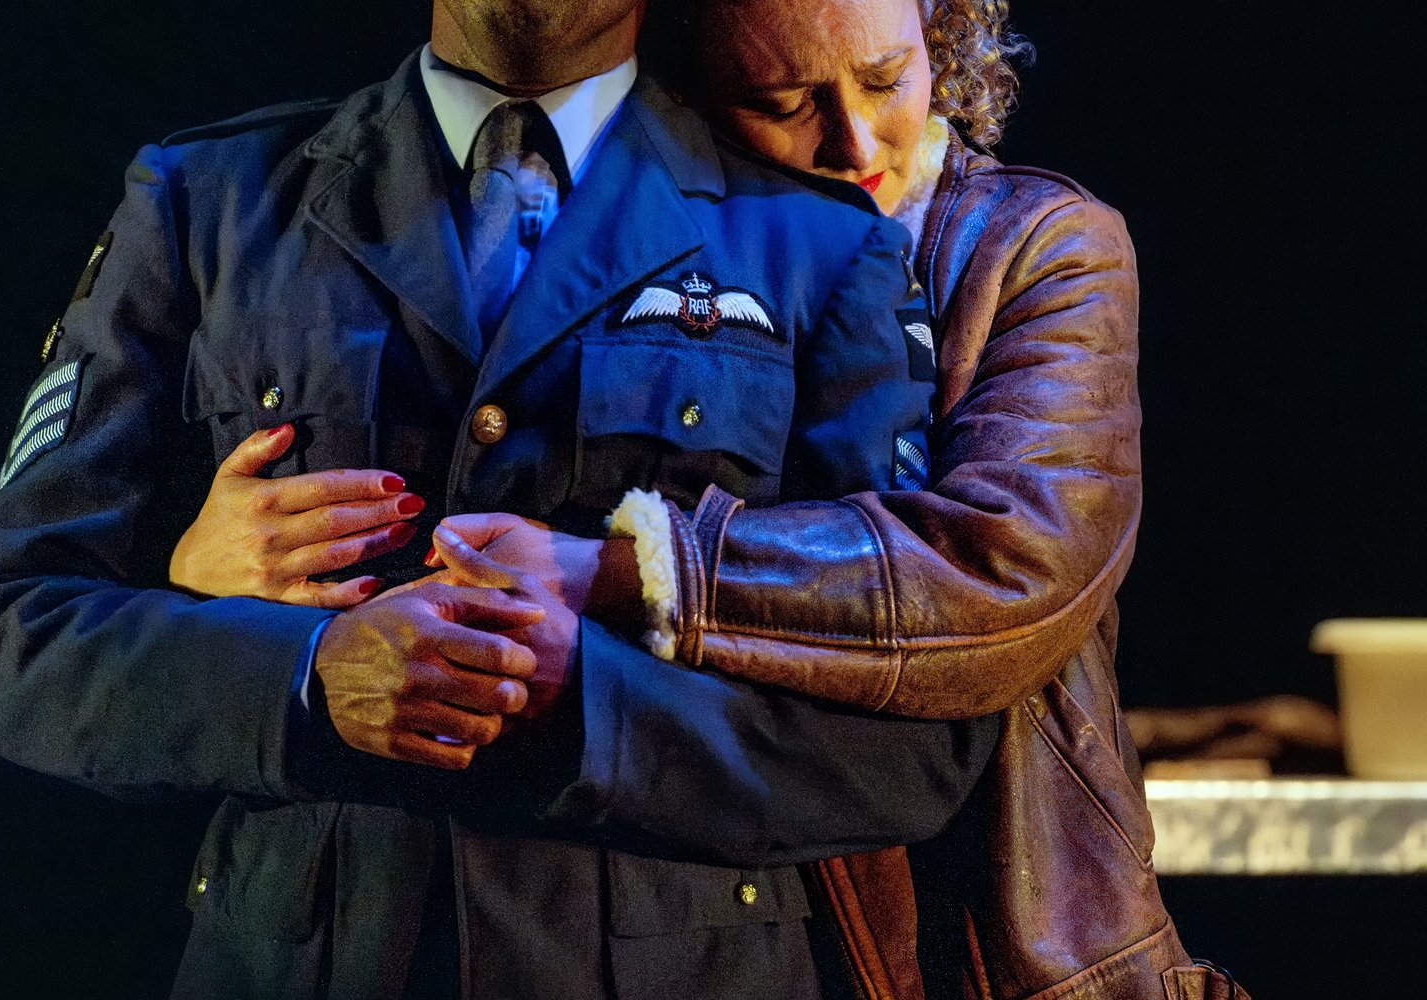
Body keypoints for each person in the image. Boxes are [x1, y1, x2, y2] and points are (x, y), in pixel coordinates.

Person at [169, 1, 1250, 997]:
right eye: (780, 103)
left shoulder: (1030, 247)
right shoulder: (604, 225)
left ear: (942, 37)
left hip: (989, 943)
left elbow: (1005, 567)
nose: (856, 142)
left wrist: (631, 566)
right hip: (717, 910)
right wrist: (207, 570)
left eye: (887, 79)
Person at [0, 1, 1004, 997]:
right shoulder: (206, 200)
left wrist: (582, 705)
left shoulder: (821, 242)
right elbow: (12, 639)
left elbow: (915, 746)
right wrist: (302, 683)